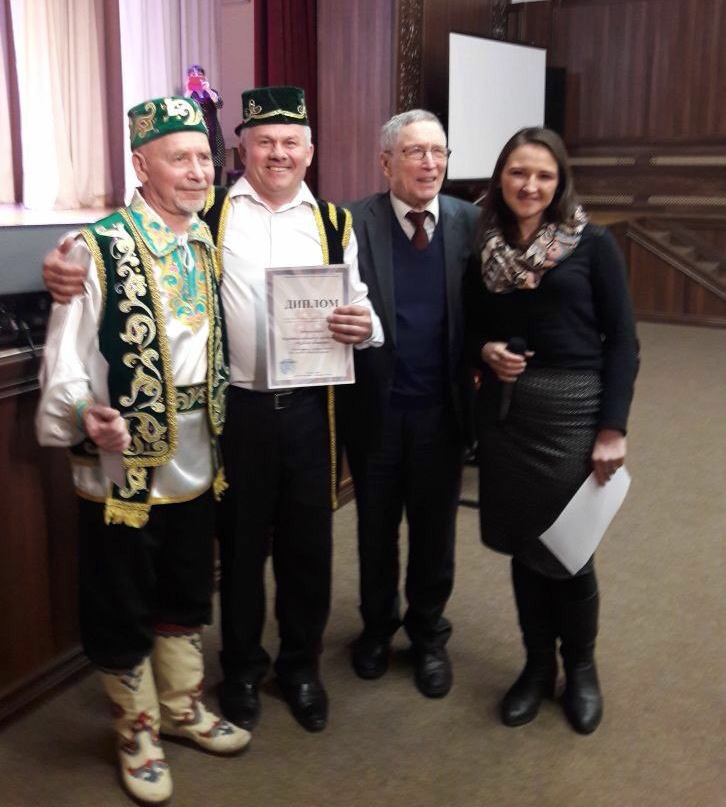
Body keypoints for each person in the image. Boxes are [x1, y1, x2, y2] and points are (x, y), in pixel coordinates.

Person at [43, 86, 382, 735]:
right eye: (264, 142)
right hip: (236, 416)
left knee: (307, 548)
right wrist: (60, 267)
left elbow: (361, 307)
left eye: (291, 143)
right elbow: (110, 249)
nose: (278, 154)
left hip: (306, 411)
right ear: (243, 151)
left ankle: (300, 670)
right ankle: (242, 671)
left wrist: (363, 326)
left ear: (310, 152)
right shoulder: (211, 215)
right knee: (239, 549)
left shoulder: (335, 224)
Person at [36, 96, 250, 806]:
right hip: (120, 466)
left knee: (186, 583)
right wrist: (83, 415)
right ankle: (136, 729)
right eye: (178, 158)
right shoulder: (92, 248)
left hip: (197, 455)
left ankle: (181, 706)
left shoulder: (204, 240)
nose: (197, 172)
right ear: (140, 165)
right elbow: (63, 362)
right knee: (120, 597)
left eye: (204, 158)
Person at [465, 126, 638, 735]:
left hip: (574, 411)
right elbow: (469, 326)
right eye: (518, 172)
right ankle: (537, 667)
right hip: (508, 416)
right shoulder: (485, 245)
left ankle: (581, 668)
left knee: (569, 548)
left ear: (560, 181)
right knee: (523, 543)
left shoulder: (592, 244)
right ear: (501, 178)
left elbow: (623, 341)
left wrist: (612, 428)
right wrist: (485, 349)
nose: (530, 185)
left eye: (543, 174)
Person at [341, 109, 479, 698]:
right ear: (386, 162)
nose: (430, 163)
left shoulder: (471, 222)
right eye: (415, 151)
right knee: (375, 530)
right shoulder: (350, 223)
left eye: (438, 152)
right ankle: (376, 629)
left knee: (434, 532)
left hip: (442, 412)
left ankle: (428, 634)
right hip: (375, 410)